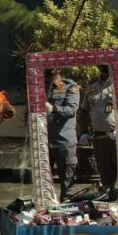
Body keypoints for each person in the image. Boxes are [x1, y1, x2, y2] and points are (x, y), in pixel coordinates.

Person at [79, 66, 118, 201]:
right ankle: (111, 208)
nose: (103, 67)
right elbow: (84, 111)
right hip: (99, 137)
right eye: (101, 65)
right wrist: (83, 132)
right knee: (106, 176)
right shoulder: (92, 85)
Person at [45, 68, 79, 201]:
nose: (47, 73)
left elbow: (71, 110)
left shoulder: (69, 86)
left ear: (58, 69)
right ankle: (46, 213)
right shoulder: (38, 87)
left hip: (63, 141)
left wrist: (53, 108)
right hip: (44, 141)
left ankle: (67, 214)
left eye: (51, 69)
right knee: (44, 182)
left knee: (67, 182)